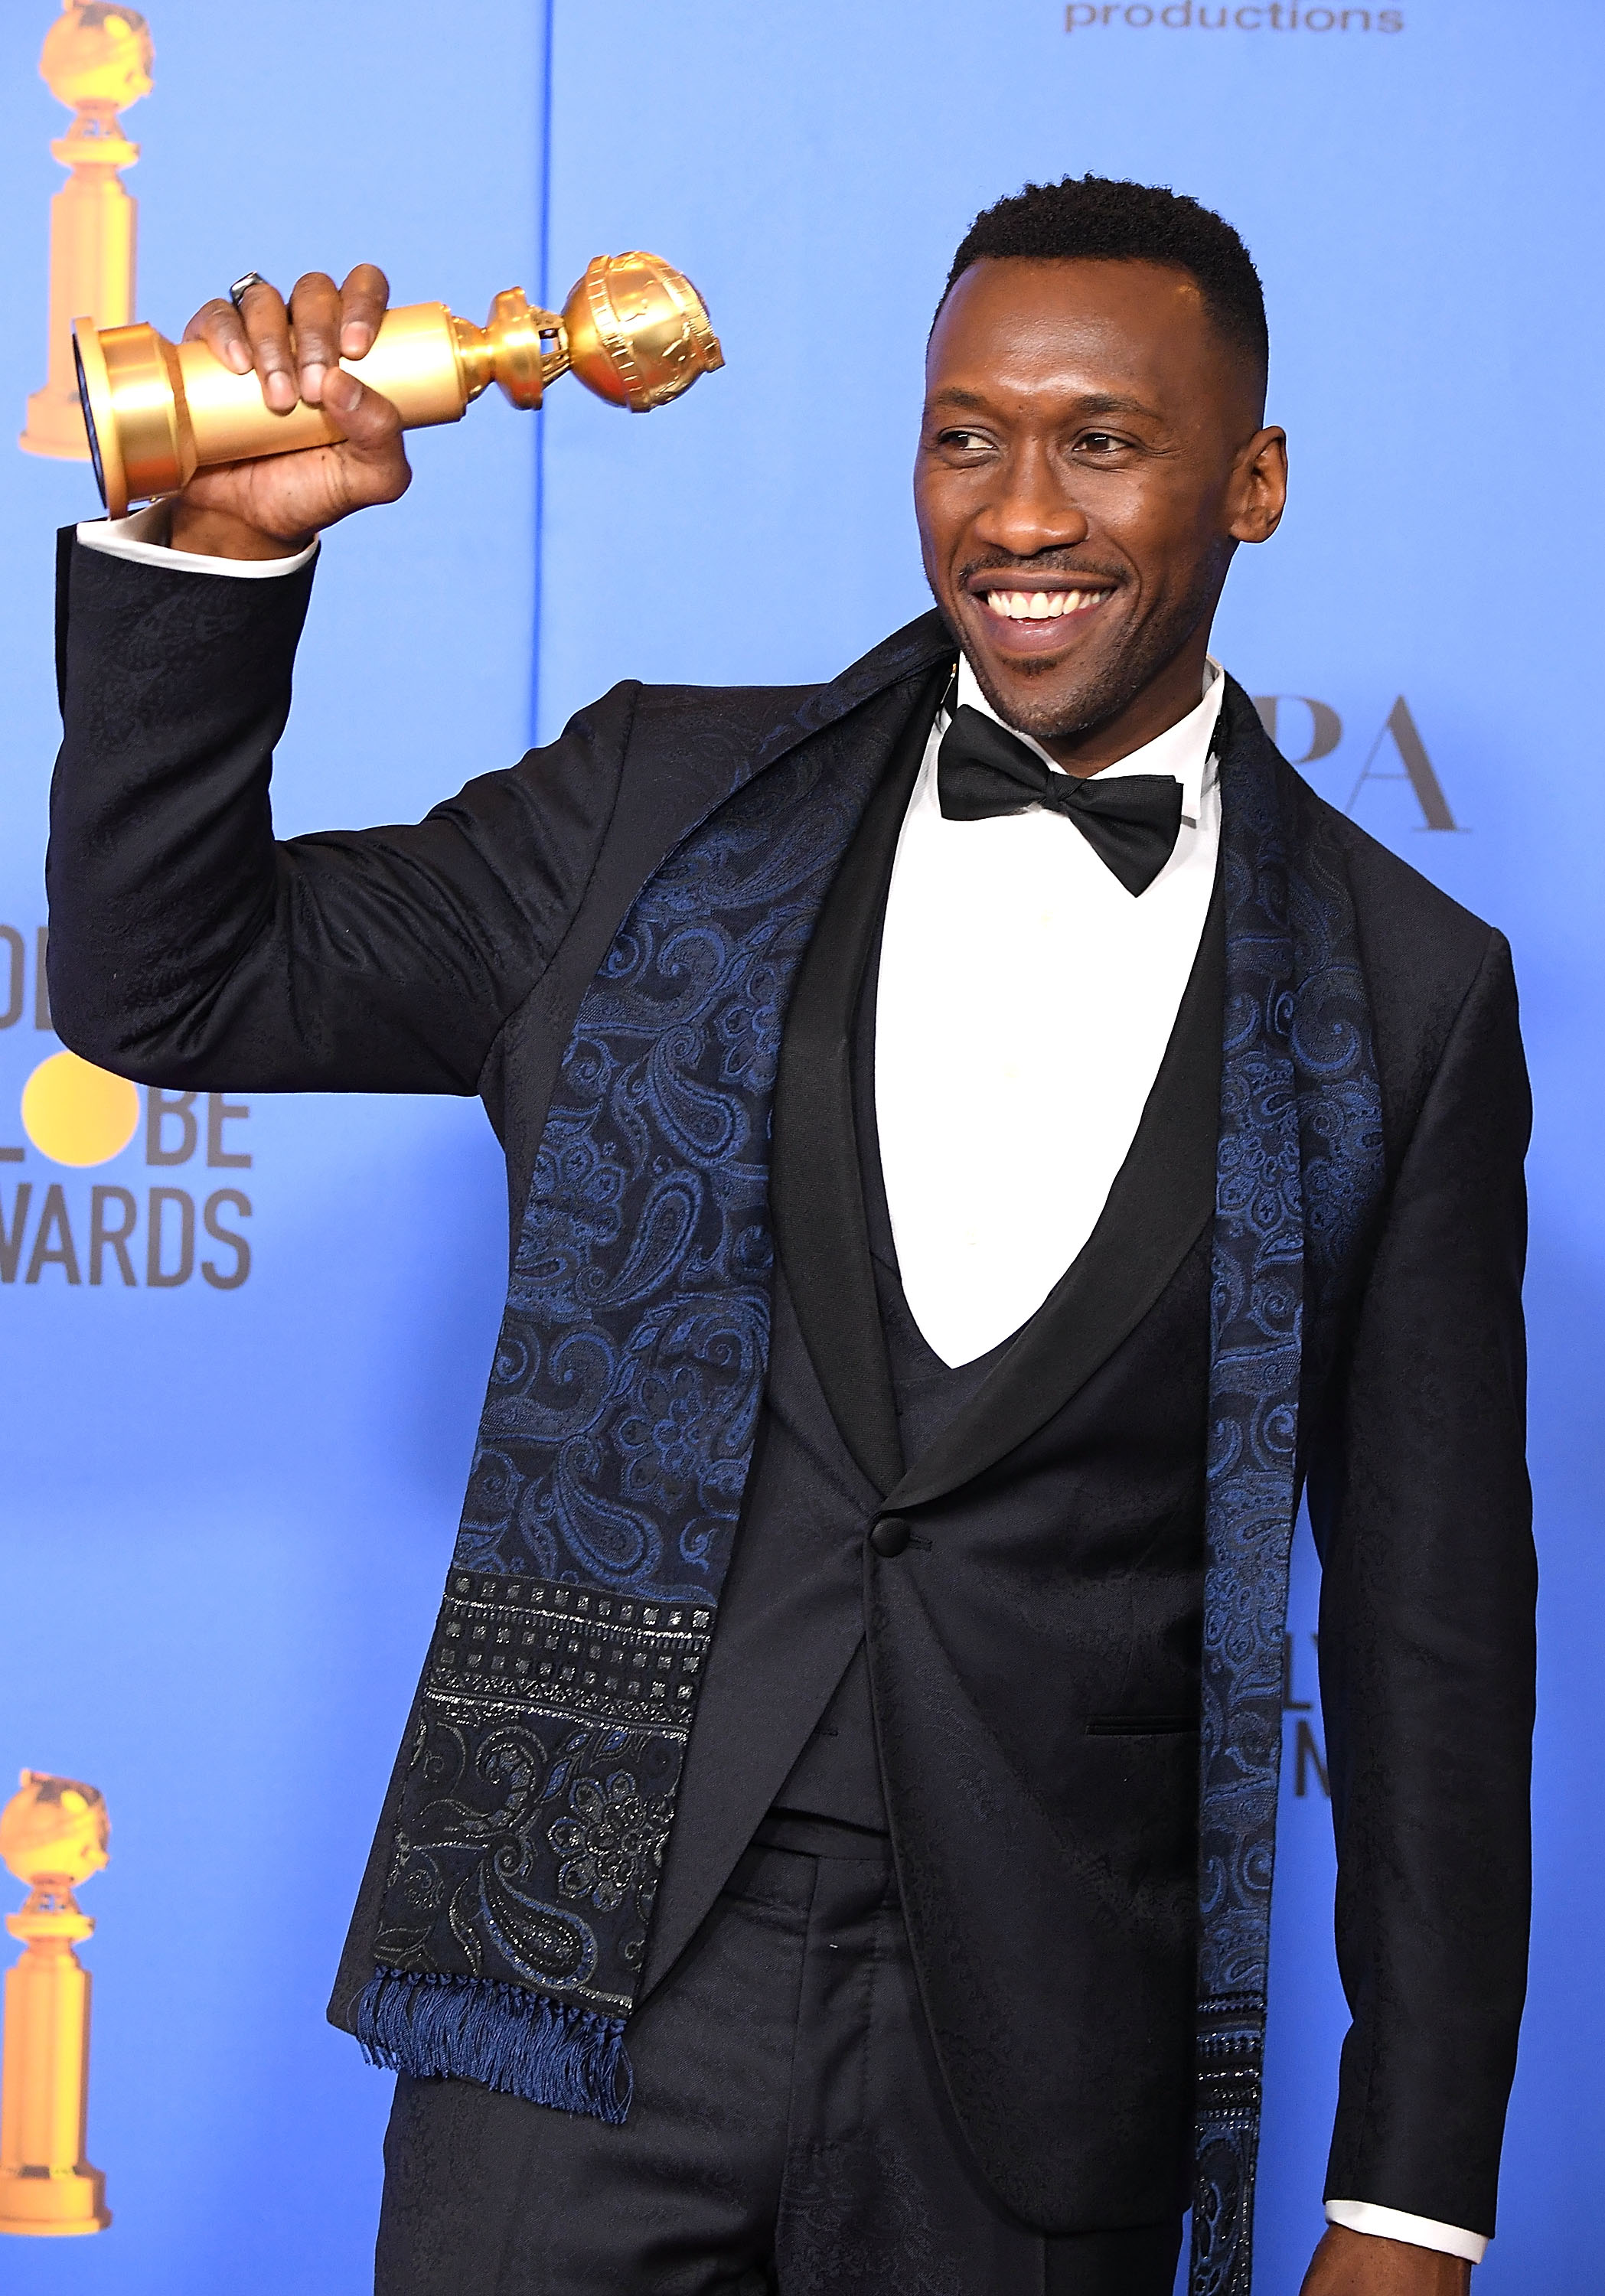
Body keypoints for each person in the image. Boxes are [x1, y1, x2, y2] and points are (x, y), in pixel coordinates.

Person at [47, 178, 1533, 2296]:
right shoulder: (653, 803)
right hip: (571, 2005)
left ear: (1252, 483)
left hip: (1032, 2073)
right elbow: (164, 986)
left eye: (1101, 441)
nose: (1016, 512)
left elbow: (1432, 1643)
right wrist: (231, 551)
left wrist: (1404, 2202)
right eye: (962, 436)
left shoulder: (1405, 987)